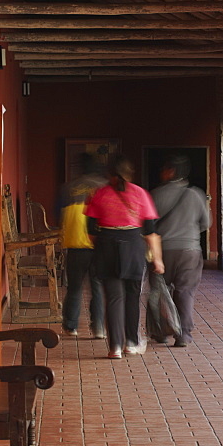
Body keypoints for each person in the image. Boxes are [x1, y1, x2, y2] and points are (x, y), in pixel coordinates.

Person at [84, 155, 164, 359]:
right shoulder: (141, 194)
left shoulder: (99, 194)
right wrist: (157, 259)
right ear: (130, 174)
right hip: (134, 246)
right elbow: (150, 230)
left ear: (109, 174)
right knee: (132, 297)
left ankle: (115, 348)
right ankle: (131, 343)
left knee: (113, 298)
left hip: (106, 245)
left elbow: (91, 229)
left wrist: (102, 245)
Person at [150, 154, 212, 347]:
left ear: (171, 171)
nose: (161, 172)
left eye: (164, 169)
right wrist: (189, 233)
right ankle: (183, 335)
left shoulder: (155, 194)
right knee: (185, 292)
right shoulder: (196, 194)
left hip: (163, 251)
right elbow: (206, 223)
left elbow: (148, 225)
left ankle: (161, 332)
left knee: (160, 291)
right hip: (190, 250)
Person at [59, 153, 107, 339]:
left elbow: (60, 214)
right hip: (97, 244)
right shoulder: (104, 187)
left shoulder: (67, 188)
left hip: (75, 243)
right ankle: (99, 328)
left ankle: (71, 326)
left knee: (75, 287)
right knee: (97, 286)